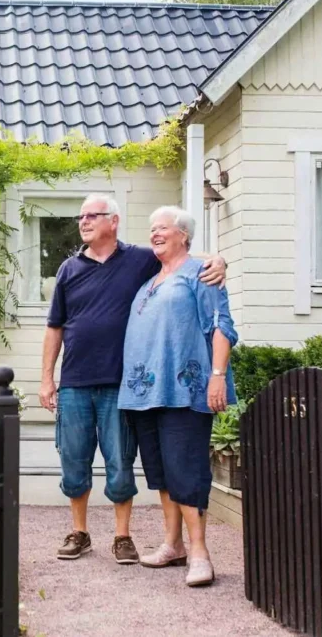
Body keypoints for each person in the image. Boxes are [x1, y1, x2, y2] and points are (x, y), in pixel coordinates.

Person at [39, 193, 226, 564]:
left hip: (121, 385)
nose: (84, 221)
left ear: (114, 221)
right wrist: (47, 378)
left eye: (93, 215)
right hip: (76, 381)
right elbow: (54, 327)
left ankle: (123, 537)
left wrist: (220, 259)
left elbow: (183, 257)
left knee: (121, 463)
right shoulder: (68, 269)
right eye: (81, 216)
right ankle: (80, 532)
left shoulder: (138, 259)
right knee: (74, 461)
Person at [118, 205, 238, 587]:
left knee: (186, 471)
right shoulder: (150, 280)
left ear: (183, 235)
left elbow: (222, 326)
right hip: (145, 392)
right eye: (152, 228)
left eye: (163, 228)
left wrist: (217, 376)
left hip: (185, 389)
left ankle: (200, 551)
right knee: (162, 473)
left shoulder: (201, 274)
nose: (155, 234)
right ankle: (173, 545)